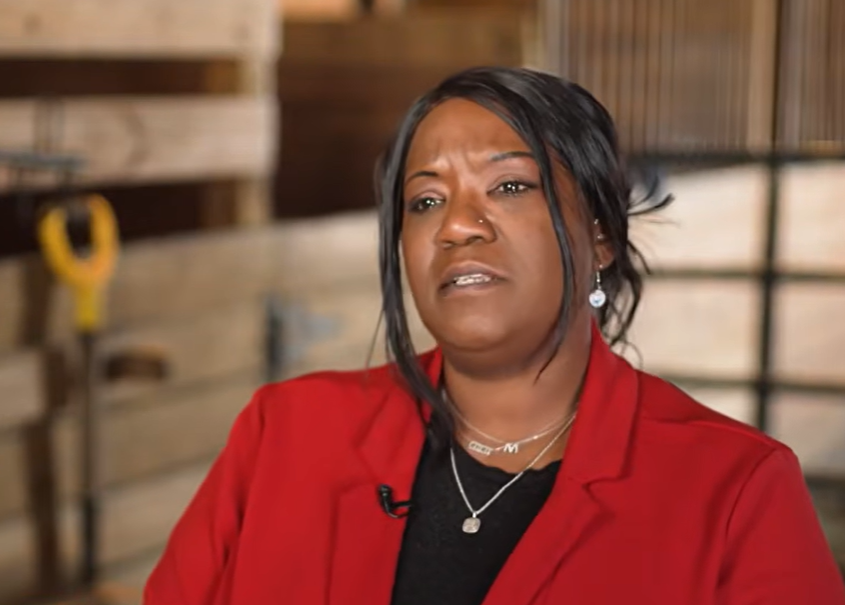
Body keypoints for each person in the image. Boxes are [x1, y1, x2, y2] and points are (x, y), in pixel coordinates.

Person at [143, 66, 845, 605]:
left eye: (508, 186)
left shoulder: (736, 492)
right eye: (424, 201)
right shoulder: (281, 434)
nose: (454, 224)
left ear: (598, 233)